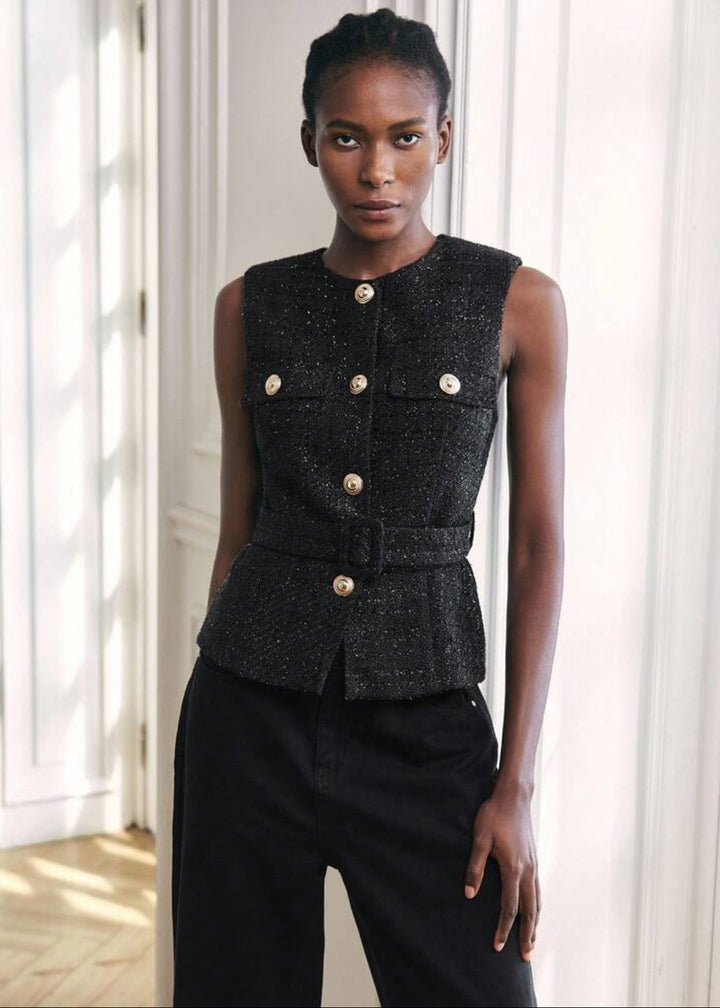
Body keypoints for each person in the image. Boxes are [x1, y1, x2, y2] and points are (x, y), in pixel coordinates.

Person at [171, 8, 566, 1007]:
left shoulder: (516, 301)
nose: (377, 170)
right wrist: (218, 695)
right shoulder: (248, 306)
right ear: (311, 141)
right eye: (348, 137)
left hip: (429, 734)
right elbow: (238, 526)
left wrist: (514, 784)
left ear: (444, 138)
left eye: (404, 137)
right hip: (247, 725)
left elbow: (536, 546)